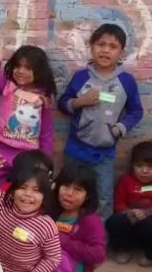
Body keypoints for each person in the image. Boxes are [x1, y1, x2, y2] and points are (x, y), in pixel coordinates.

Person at [58, 23, 143, 218]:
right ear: (92, 47)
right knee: (69, 194)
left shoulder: (126, 82)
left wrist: (119, 129)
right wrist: (80, 102)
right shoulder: (81, 77)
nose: (105, 50)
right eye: (100, 44)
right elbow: (63, 103)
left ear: (121, 52)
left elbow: (136, 111)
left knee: (103, 198)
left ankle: (98, 241)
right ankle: (65, 236)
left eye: (112, 47)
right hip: (76, 149)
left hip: (104, 154)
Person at [0, 45, 57, 185]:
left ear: (39, 71)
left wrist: (45, 161)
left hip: (28, 156)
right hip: (3, 151)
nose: (21, 71)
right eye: (18, 66)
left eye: (28, 68)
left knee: (22, 188)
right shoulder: (7, 86)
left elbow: (46, 133)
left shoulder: (42, 98)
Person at [107, 140, 152, 266]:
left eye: (150, 167)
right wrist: (129, 212)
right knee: (114, 221)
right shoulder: (126, 180)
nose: (144, 171)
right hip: (131, 220)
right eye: (139, 166)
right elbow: (118, 203)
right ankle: (123, 249)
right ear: (132, 165)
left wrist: (148, 213)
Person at [52, 165, 105, 272]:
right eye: (65, 186)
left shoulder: (89, 219)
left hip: (73, 267)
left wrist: (63, 241)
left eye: (78, 190)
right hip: (48, 263)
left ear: (87, 196)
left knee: (55, 250)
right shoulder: (51, 211)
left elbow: (98, 254)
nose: (69, 193)